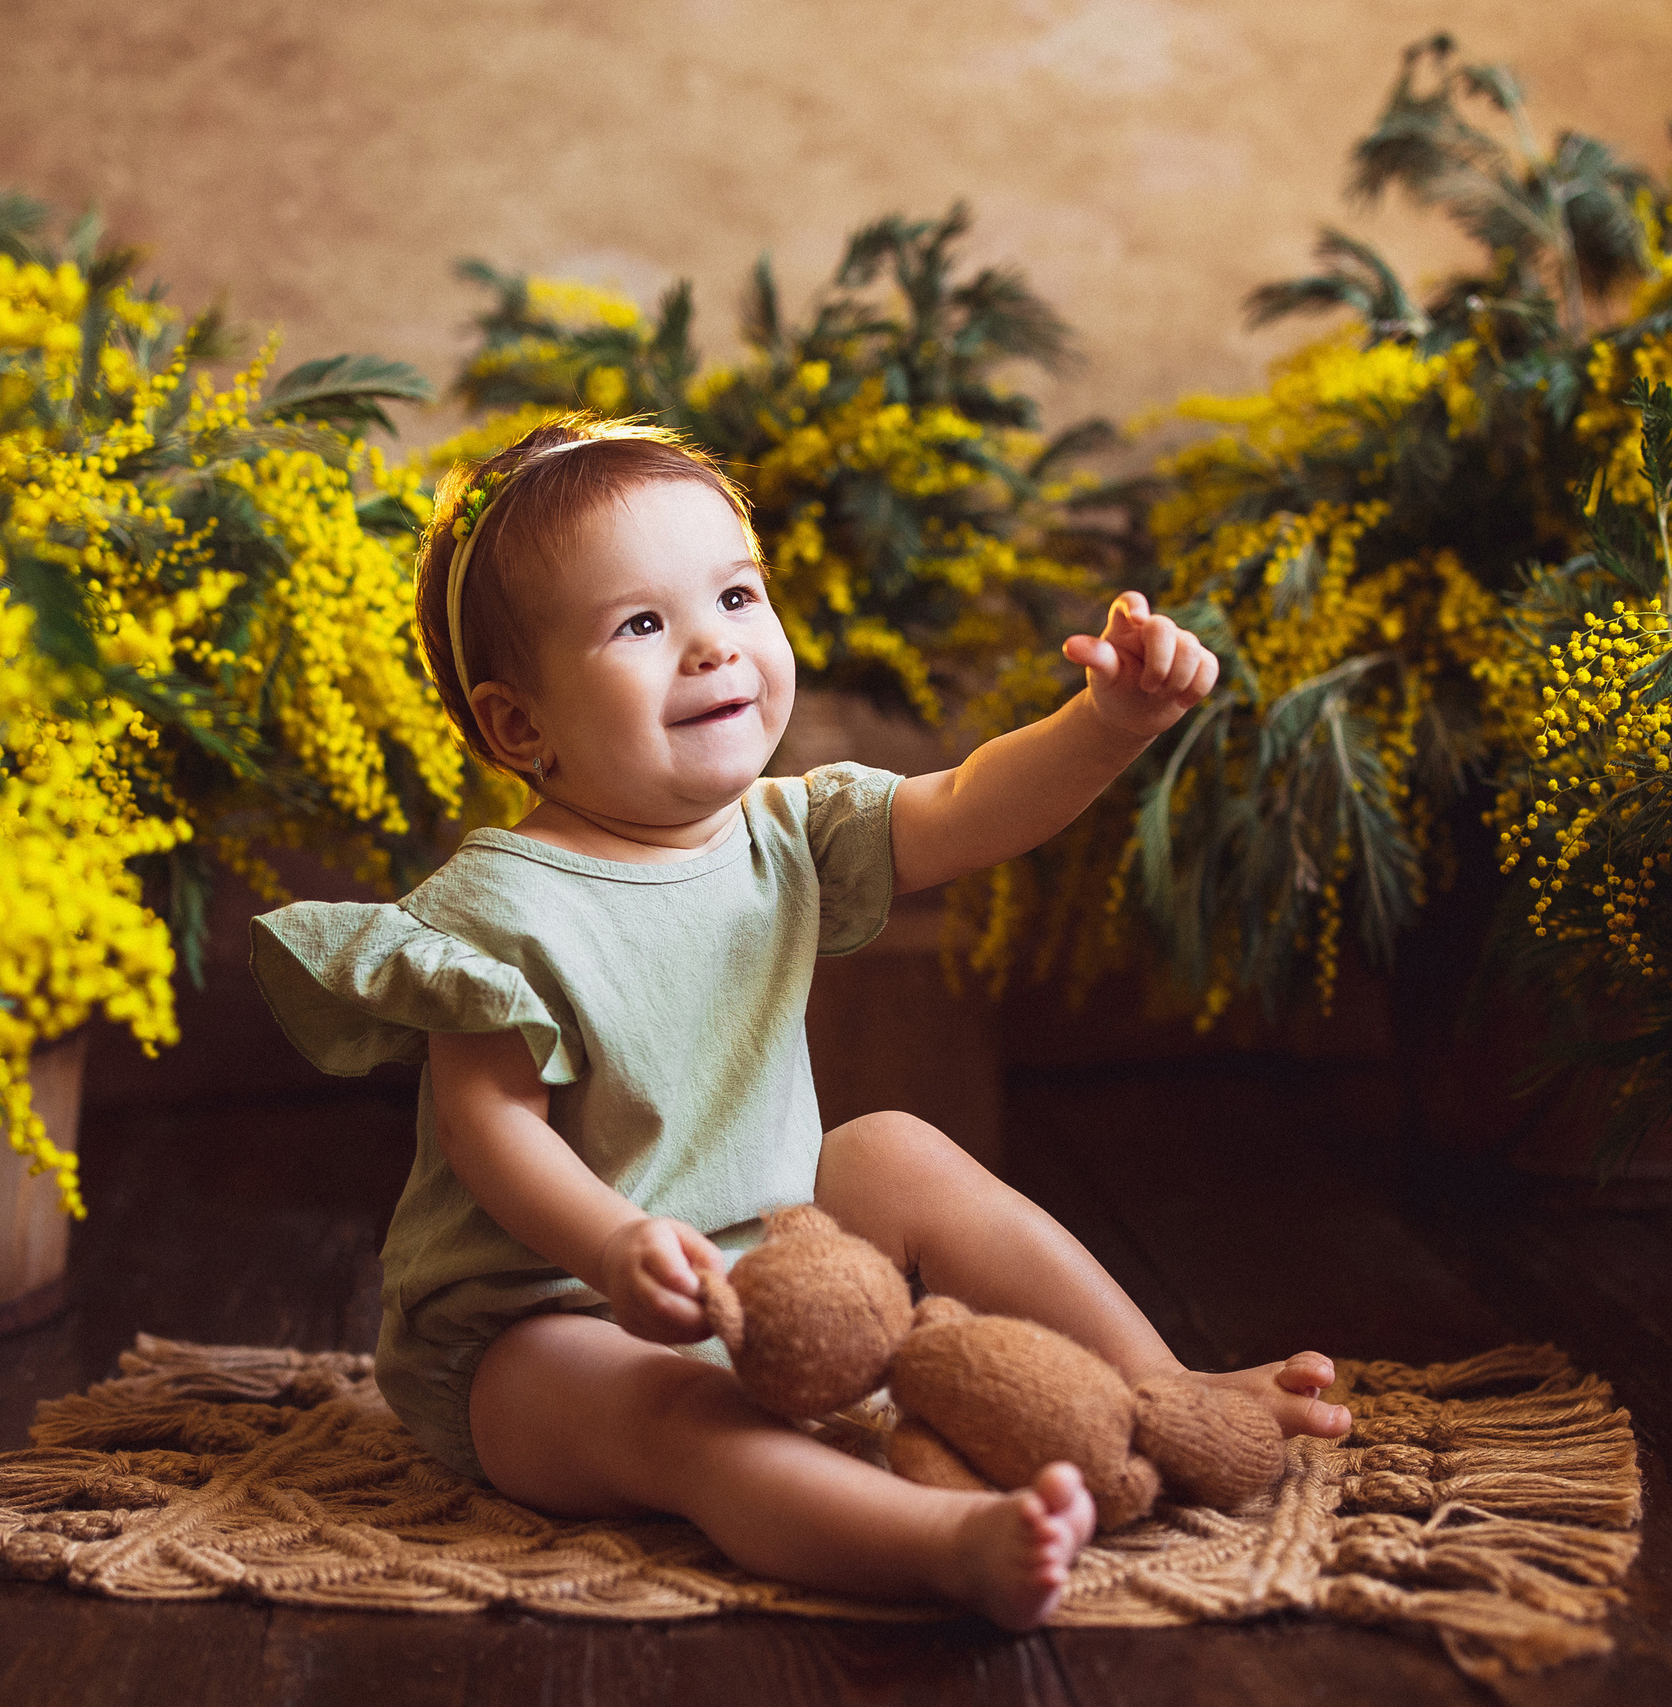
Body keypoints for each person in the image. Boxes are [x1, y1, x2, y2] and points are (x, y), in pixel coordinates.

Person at [250, 416, 1349, 1630]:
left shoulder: (786, 831)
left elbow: (972, 803)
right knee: (686, 1424)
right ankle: (947, 1544)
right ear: (522, 728)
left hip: (763, 1257)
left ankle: (1166, 1391)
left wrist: (1109, 723)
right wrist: (614, 1249)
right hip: (538, 1326)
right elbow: (487, 1129)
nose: (714, 646)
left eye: (733, 593)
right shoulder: (504, 910)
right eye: (642, 624)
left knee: (893, 1150)